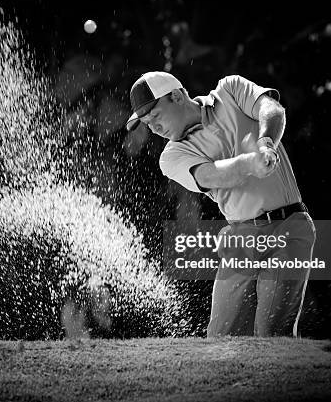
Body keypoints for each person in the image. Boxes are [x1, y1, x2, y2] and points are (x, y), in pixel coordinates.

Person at [125, 71, 316, 337]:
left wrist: (266, 142)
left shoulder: (230, 90)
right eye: (147, 123)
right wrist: (250, 163)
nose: (153, 128)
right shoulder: (171, 156)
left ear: (177, 96)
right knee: (221, 337)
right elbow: (210, 175)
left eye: (155, 116)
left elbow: (271, 108)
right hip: (240, 237)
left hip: (289, 228)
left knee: (271, 333)